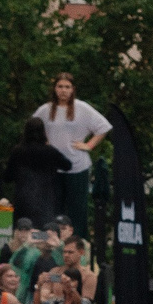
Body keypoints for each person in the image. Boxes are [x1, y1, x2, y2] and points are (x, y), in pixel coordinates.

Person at [38, 74, 111, 239]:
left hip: (77, 165)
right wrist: (44, 142)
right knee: (51, 209)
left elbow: (104, 127)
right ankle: (50, 246)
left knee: (77, 210)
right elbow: (33, 127)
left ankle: (79, 246)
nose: (63, 90)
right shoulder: (46, 109)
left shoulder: (82, 108)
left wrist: (89, 145)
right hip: (53, 167)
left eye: (67, 87)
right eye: (60, 87)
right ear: (54, 89)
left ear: (73, 90)